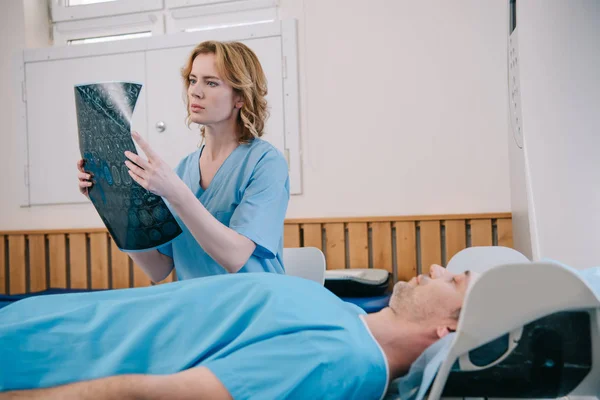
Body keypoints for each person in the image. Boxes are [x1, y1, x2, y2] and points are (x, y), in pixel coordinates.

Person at [0, 266, 473, 400]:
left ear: (449, 327)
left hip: (42, 365)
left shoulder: (338, 360)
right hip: (53, 324)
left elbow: (154, 394)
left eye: (453, 279)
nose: (436, 268)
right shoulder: (344, 317)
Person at [77, 41, 290, 282]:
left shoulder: (266, 163)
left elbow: (235, 257)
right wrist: (109, 203)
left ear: (239, 97)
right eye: (192, 80)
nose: (195, 92)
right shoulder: (183, 170)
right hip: (195, 308)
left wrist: (175, 192)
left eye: (211, 82)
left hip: (254, 305)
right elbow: (158, 269)